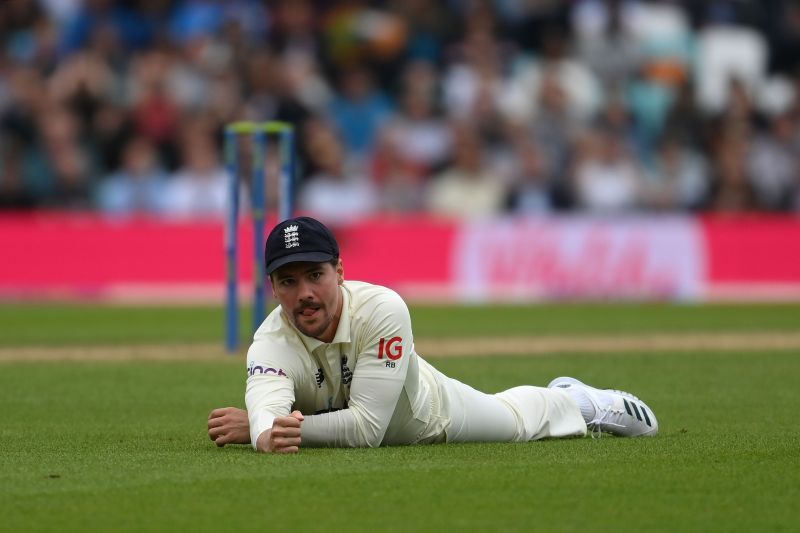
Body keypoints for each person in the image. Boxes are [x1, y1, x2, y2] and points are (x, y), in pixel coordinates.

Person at [207, 216, 659, 453]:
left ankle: (584, 403)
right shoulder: (269, 342)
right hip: (356, 418)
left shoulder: (383, 308)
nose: (304, 293)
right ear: (272, 288)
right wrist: (266, 431)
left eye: (315, 275)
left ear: (340, 270)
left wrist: (276, 431)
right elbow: (267, 415)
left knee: (517, 424)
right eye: (288, 282)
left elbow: (366, 430)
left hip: (428, 413)